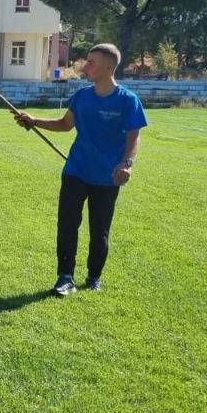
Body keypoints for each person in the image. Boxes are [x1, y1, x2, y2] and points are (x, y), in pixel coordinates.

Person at [13, 43, 147, 296]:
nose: (86, 66)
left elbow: (133, 137)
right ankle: (65, 277)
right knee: (67, 224)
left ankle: (94, 276)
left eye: (92, 62)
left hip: (107, 177)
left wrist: (126, 164)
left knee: (100, 230)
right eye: (87, 61)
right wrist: (33, 121)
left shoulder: (128, 100)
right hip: (76, 169)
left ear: (109, 67)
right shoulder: (82, 96)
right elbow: (65, 124)